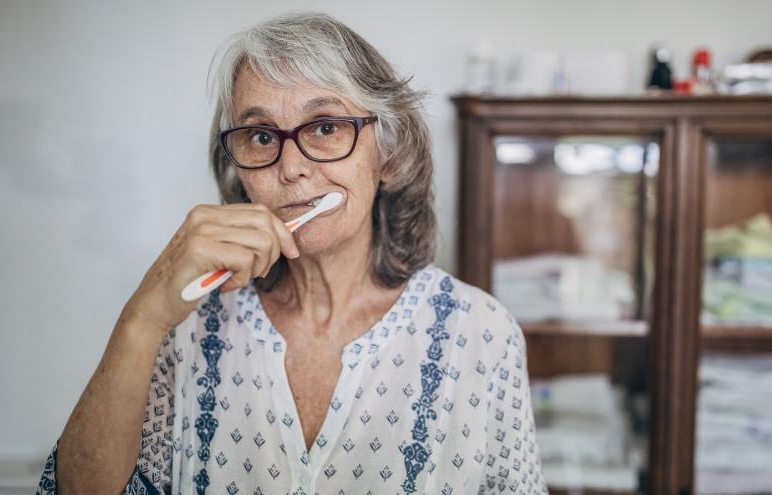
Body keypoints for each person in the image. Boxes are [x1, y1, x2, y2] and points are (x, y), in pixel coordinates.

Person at [37, 12, 546, 494]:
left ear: (388, 153)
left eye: (325, 127)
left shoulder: (482, 335)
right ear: (238, 169)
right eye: (261, 136)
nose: (291, 167)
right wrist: (143, 317)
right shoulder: (185, 328)